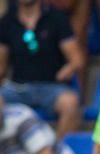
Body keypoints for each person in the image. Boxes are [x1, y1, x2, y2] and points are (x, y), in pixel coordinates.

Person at [0, 0, 84, 138]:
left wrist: (67, 70)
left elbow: (77, 59)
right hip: (17, 88)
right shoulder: (7, 21)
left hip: (51, 86)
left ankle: (59, 152)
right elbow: (1, 64)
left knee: (70, 103)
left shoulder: (57, 18)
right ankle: (7, 153)